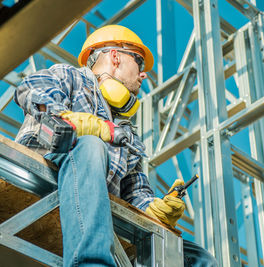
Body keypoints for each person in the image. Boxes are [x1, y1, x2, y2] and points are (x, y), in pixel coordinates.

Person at [14, 25, 185, 266]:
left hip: (96, 216)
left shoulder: (127, 134)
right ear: (116, 56)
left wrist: (154, 210)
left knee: (194, 255)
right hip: (41, 183)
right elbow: (31, 88)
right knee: (91, 145)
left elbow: (135, 194)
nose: (143, 75)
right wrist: (63, 118)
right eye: (139, 62)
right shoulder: (70, 77)